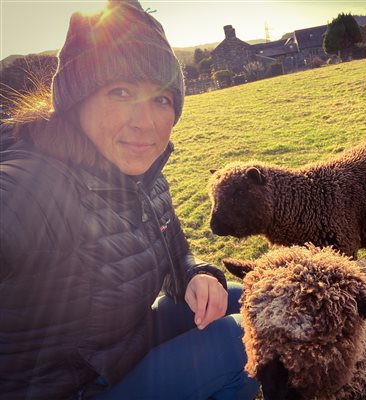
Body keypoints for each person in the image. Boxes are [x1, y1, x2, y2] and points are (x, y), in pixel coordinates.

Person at [0, 1, 259, 399]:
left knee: (254, 301)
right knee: (240, 338)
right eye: (120, 91)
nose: (146, 122)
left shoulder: (146, 179)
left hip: (120, 349)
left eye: (160, 99)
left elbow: (176, 254)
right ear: (74, 102)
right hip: (71, 387)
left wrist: (197, 274)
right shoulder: (38, 179)